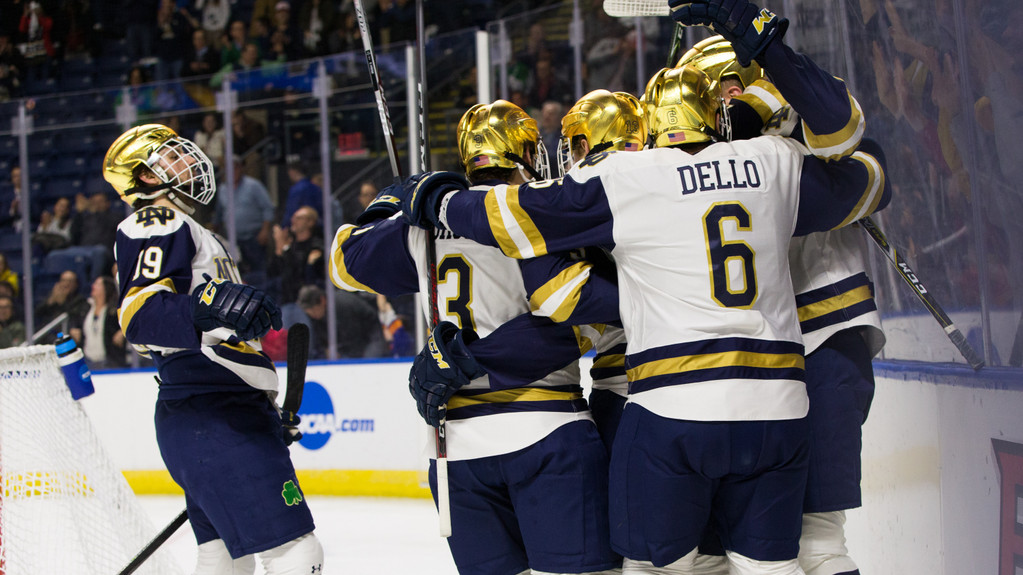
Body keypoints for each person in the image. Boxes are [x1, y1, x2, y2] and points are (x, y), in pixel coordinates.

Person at [399, 17, 892, 573]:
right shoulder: (777, 157)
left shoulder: (635, 176)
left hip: (676, 394)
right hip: (782, 386)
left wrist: (438, 201)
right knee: (783, 555)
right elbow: (869, 174)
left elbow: (553, 283)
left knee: (666, 564)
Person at [328, 100, 620, 574]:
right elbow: (586, 321)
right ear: (527, 154)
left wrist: (391, 204)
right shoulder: (540, 211)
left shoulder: (422, 227)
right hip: (546, 430)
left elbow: (344, 263)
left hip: (455, 450)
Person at [679, 36, 884, 575]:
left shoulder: (806, 127)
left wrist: (769, 79)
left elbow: (850, 144)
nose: (720, 105)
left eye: (727, 89)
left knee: (817, 542)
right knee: (718, 551)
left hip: (822, 340)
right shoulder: (700, 157)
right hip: (738, 357)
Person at [102, 123, 323, 573]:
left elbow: (198, 332)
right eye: (172, 155)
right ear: (147, 175)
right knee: (295, 551)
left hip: (211, 412)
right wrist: (207, 304)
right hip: (214, 411)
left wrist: (260, 406)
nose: (188, 158)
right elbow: (140, 318)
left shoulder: (195, 231)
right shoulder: (157, 219)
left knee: (224, 556)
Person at [214, 155, 275, 288]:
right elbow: (219, 213)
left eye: (235, 168)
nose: (233, 172)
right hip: (232, 240)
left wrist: (265, 230)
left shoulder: (253, 186)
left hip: (254, 237)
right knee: (236, 273)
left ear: (241, 168)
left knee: (258, 272)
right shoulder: (223, 189)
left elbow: (268, 208)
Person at [295, 284, 386, 359]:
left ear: (322, 300)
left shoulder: (341, 305)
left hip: (370, 337)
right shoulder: (316, 316)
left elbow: (354, 337)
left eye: (314, 310)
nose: (313, 315)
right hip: (349, 343)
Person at [268, 205, 324, 305]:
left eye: (299, 218)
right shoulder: (290, 246)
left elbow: (300, 272)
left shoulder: (317, 247)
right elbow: (273, 272)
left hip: (307, 300)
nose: (293, 221)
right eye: (293, 217)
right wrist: (279, 248)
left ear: (310, 222)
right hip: (286, 298)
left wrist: (284, 248)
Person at [79, 275, 126, 368]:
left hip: (110, 361)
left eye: (97, 284)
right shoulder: (86, 308)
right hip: (88, 360)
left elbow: (128, 322)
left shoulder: (114, 311)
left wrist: (122, 332)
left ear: (106, 288)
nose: (93, 286)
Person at [35, 269, 89, 341]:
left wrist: (62, 303)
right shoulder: (53, 300)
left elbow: (74, 319)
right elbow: (37, 314)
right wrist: (50, 301)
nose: (66, 284)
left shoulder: (81, 302)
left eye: (70, 281)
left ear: (76, 284)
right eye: (63, 280)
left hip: (67, 338)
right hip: (49, 337)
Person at [280, 160, 323, 228]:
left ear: (292, 171)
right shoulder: (316, 188)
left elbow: (292, 209)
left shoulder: (296, 189)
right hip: (317, 225)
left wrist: (284, 226)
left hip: (301, 227)